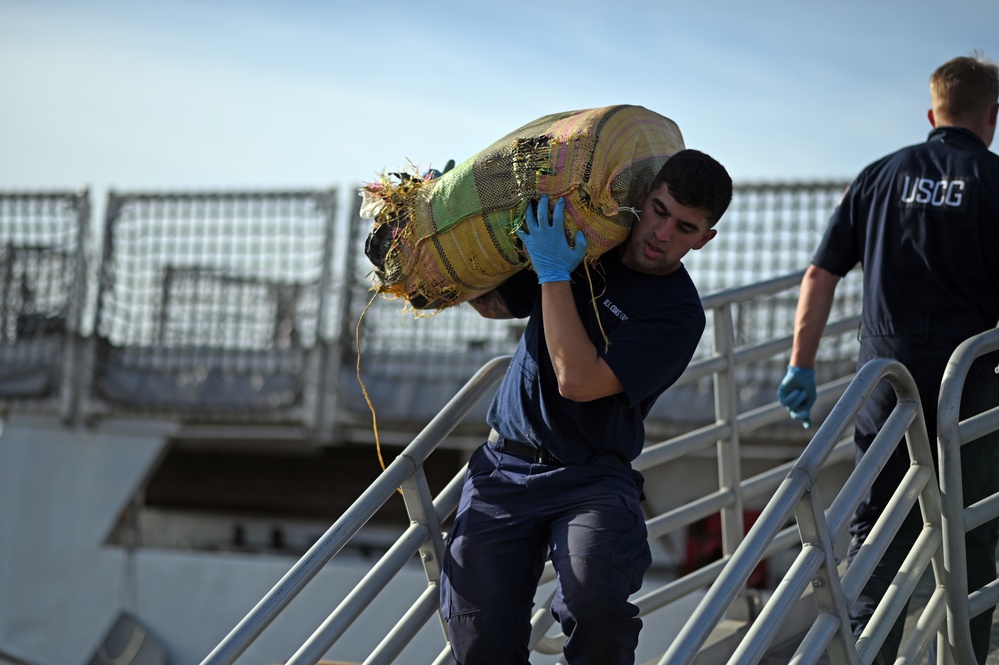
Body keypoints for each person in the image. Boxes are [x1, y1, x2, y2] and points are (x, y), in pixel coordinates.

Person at [438, 148, 733, 665]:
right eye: (660, 211)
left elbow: (577, 381)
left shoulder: (678, 314)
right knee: (478, 636)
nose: (663, 234)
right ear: (644, 199)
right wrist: (454, 234)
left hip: (591, 480)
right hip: (503, 468)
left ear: (704, 239)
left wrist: (555, 275)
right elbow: (490, 304)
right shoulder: (587, 243)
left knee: (596, 607)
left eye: (685, 228)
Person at [777, 53, 999, 664]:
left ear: (932, 113)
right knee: (971, 532)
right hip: (972, 383)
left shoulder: (879, 175)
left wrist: (801, 365)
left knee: (878, 535)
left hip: (887, 381)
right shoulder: (995, 180)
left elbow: (821, 272)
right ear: (992, 115)